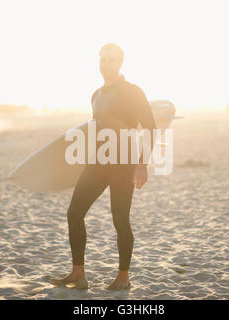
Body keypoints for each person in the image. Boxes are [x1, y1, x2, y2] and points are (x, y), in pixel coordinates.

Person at [52, 43, 157, 291]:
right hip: (98, 162)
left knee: (120, 219)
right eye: (102, 59)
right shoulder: (96, 95)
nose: (105, 64)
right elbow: (98, 128)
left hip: (124, 162)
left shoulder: (133, 91)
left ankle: (123, 277)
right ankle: (78, 273)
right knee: (74, 212)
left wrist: (142, 163)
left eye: (111, 60)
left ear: (120, 63)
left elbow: (150, 127)